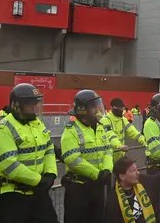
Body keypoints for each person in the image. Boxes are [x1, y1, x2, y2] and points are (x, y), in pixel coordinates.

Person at [0, 84, 59, 223]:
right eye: (30, 104)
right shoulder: (5, 129)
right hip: (14, 195)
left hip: (38, 192)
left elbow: (49, 149)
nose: (35, 107)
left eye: (36, 103)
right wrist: (39, 180)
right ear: (17, 105)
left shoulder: (37, 124)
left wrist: (50, 173)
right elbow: (9, 165)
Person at [61, 89, 112, 223]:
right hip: (78, 188)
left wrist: (107, 170)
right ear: (83, 110)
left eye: (98, 105)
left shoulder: (100, 127)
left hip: (97, 187)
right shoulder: (71, 130)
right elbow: (72, 159)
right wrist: (97, 174)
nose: (98, 110)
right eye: (94, 107)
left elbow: (108, 150)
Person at [104, 157, 160, 223]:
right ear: (122, 176)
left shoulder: (142, 180)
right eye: (133, 170)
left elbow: (159, 179)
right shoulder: (113, 201)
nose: (138, 173)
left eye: (137, 169)